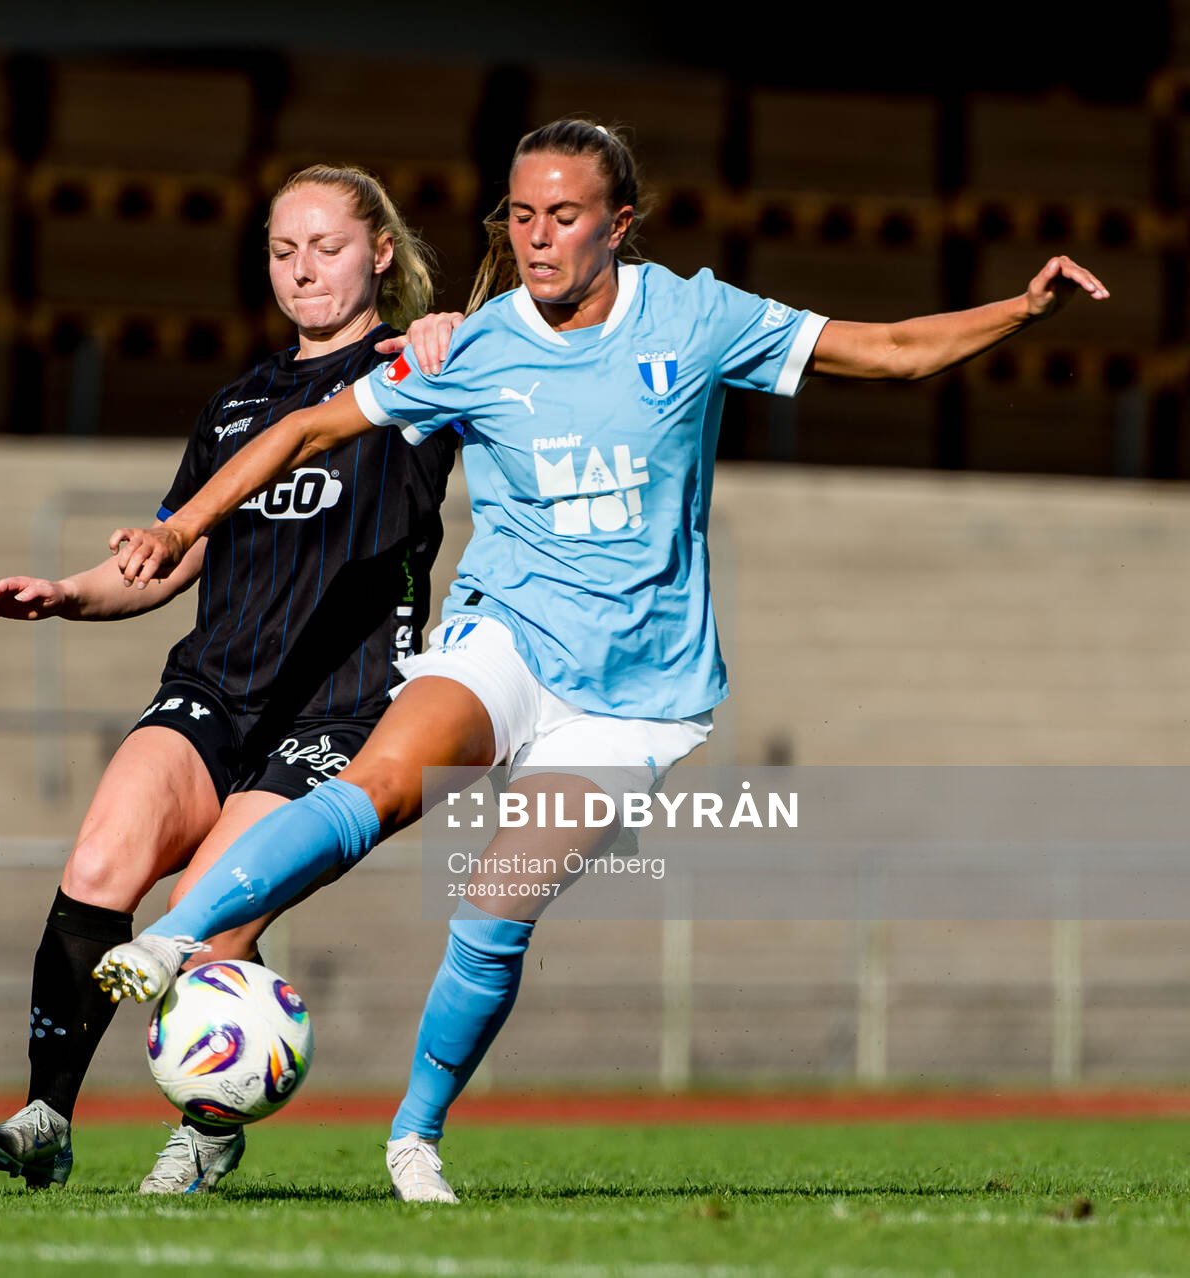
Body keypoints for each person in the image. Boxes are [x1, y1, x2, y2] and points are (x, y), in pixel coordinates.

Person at [95, 117, 1109, 1202]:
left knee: (495, 908)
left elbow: (895, 351)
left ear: (619, 225)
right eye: (521, 216)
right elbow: (300, 432)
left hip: (638, 695)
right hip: (508, 635)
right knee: (379, 786)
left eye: (565, 217)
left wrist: (1022, 308)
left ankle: (414, 1139)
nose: (538, 238)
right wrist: (181, 526)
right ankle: (180, 936)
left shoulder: (697, 315)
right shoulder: (476, 346)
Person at [0, 165, 458, 1194]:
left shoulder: (421, 372)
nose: (304, 268)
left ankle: (208, 1126)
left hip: (343, 706)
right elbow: (170, 557)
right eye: (284, 250)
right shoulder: (239, 401)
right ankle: (46, 1113)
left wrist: (459, 333)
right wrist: (69, 593)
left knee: (208, 916)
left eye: (327, 245)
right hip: (218, 688)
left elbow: (525, 355)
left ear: (378, 253)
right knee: (100, 865)